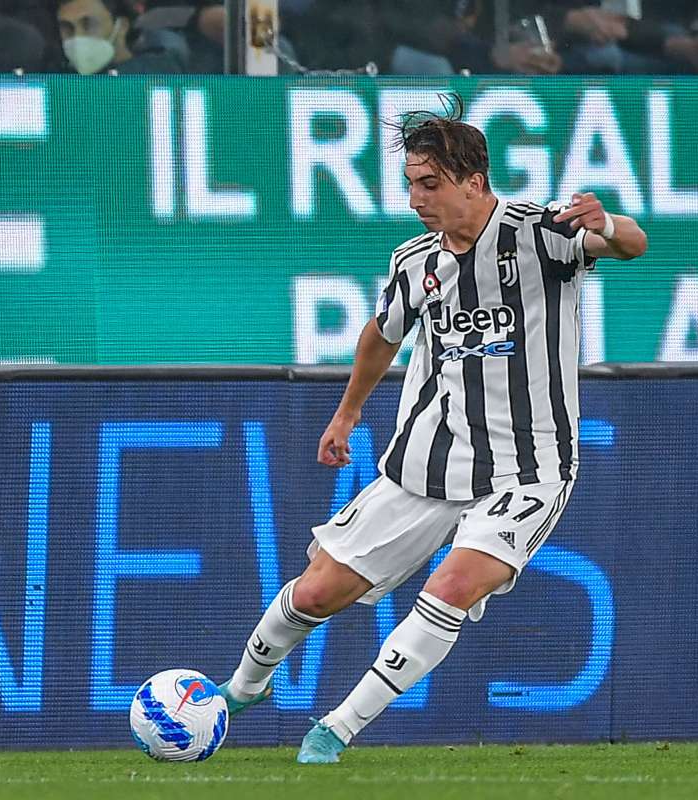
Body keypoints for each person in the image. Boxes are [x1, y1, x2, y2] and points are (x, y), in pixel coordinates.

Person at [216, 95, 648, 764]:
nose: (417, 199)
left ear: (474, 181)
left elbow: (631, 246)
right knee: (318, 590)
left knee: (450, 587)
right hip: (430, 459)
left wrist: (611, 222)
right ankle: (243, 688)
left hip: (528, 468)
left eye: (430, 184)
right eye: (411, 184)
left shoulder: (541, 232)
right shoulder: (414, 261)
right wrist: (347, 412)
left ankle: (333, 731)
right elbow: (381, 335)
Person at [56, 0, 182, 74]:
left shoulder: (158, 74)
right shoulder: (59, 84)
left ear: (122, 26)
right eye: (68, 28)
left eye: (89, 24)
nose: (78, 36)